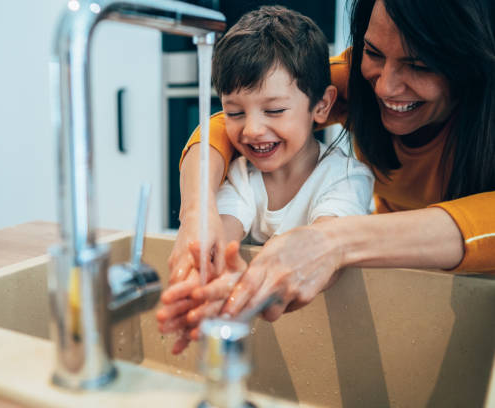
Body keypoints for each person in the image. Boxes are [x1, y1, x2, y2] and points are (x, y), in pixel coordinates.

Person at [160, 0, 495, 353]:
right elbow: (224, 127)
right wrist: (198, 213)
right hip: (392, 279)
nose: (384, 87)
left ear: (472, 60)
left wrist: (332, 242)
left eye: (420, 65)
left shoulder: (345, 176)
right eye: (373, 52)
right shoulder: (358, 79)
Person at [157, 5, 375, 352]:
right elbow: (223, 236)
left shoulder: (346, 177)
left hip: (337, 342)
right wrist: (210, 277)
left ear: (321, 106)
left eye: (274, 110)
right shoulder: (243, 175)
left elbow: (328, 245)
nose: (253, 129)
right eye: (234, 112)